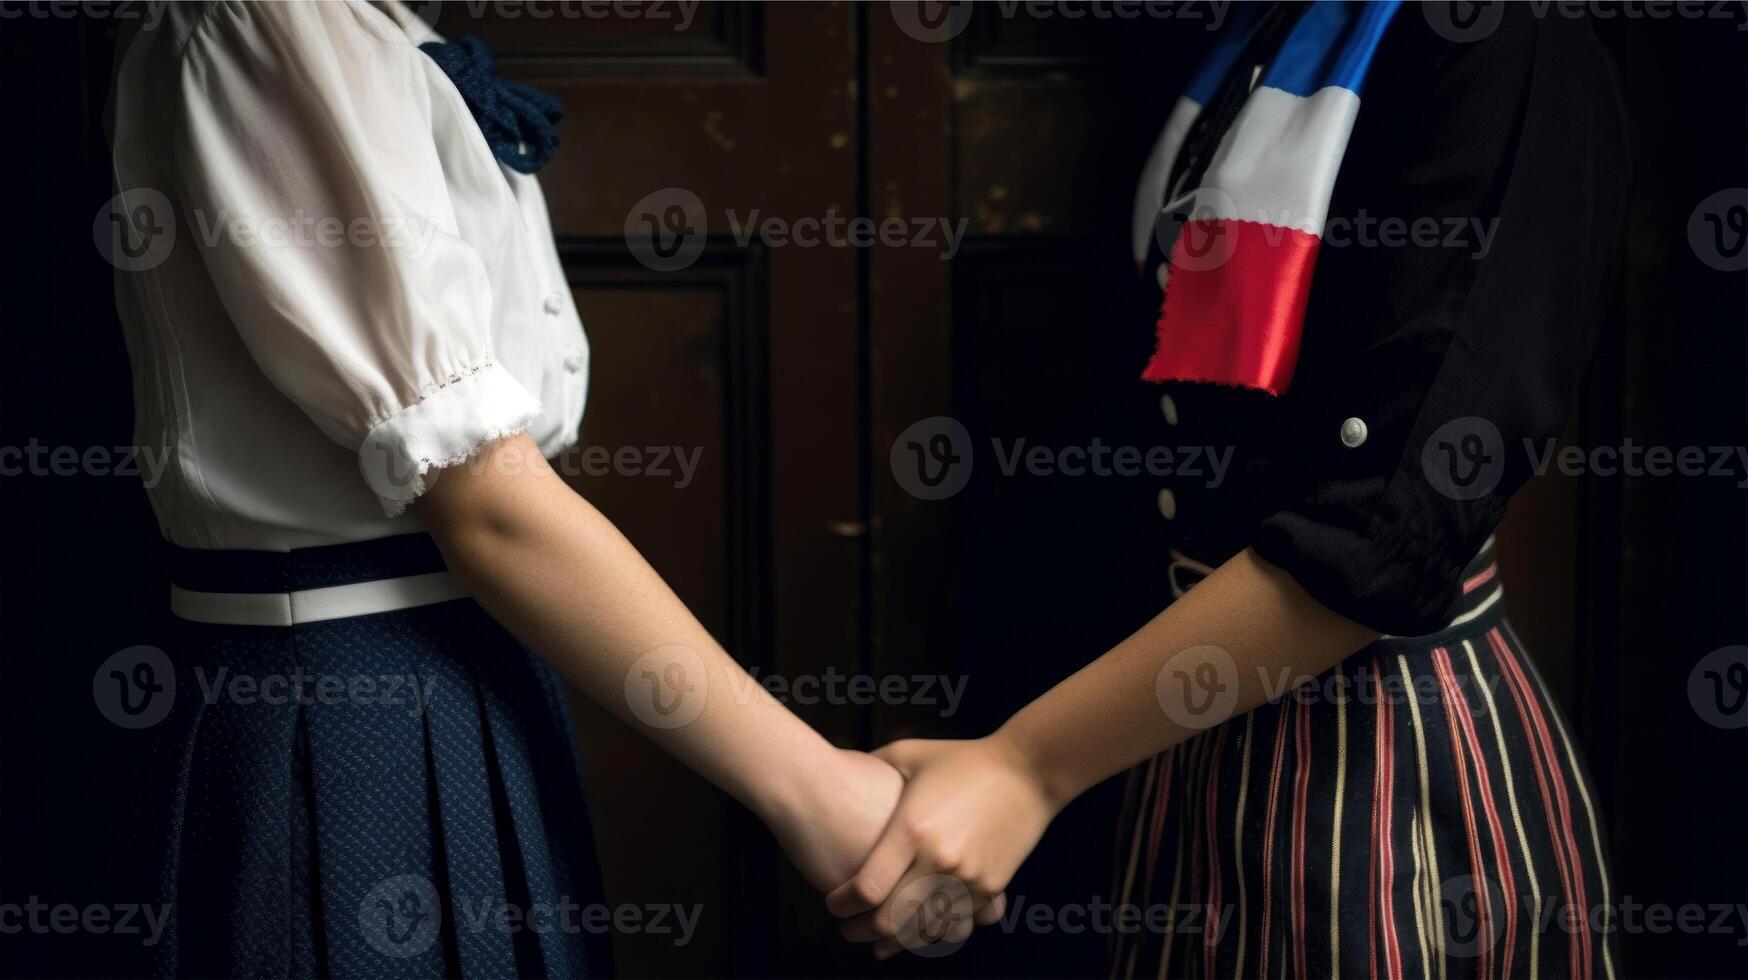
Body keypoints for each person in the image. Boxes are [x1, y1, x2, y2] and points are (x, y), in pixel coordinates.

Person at [828, 4, 1629, 977]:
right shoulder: (1254, 32)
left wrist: (1025, 766)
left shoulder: (1505, 40)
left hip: (1376, 741)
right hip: (1177, 725)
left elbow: (1384, 521)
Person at [107, 2, 901, 976]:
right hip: (351, 708)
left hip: (461, 675)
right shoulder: (278, 18)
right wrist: (817, 789)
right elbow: (486, 500)